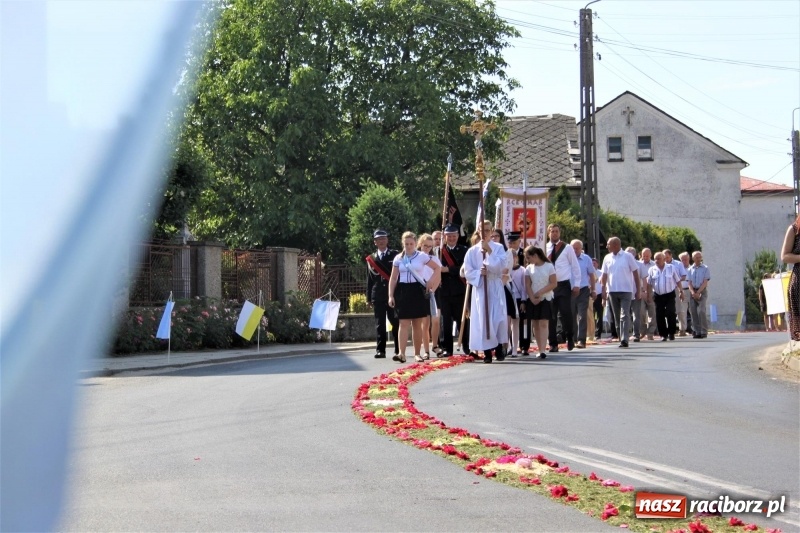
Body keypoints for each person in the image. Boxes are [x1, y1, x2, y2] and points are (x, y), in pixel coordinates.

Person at [387, 231, 441, 363]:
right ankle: (401, 353)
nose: (409, 246)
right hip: (403, 290)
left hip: (417, 290)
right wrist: (390, 295)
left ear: (415, 243)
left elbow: (437, 268)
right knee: (403, 323)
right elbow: (393, 278)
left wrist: (430, 281)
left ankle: (417, 353)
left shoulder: (421, 256)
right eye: (406, 244)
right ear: (403, 244)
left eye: (411, 243)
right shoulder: (398, 258)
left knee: (417, 324)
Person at [464, 221, 508, 363]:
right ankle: (487, 351)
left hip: (495, 285)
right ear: (478, 231)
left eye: (488, 230)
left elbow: (501, 266)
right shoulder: (472, 251)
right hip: (481, 287)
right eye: (482, 230)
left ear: (492, 231)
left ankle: (500, 346)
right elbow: (467, 271)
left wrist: (489, 250)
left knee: (497, 318)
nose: (485, 233)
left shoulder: (499, 248)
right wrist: (479, 273)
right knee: (484, 320)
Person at [601, 237, 642, 348]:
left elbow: (636, 275)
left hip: (626, 291)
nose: (606, 246)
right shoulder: (607, 258)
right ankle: (621, 337)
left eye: (608, 244)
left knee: (624, 315)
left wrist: (638, 290)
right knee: (617, 316)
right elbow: (604, 275)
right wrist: (603, 290)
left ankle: (624, 339)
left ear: (615, 245)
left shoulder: (628, 257)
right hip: (612, 291)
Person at [545, 224, 581, 353]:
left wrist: (577, 284)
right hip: (549, 286)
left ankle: (570, 337)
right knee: (551, 316)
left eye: (556, 231)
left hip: (564, 285)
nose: (554, 233)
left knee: (566, 313)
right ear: (548, 233)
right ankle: (553, 343)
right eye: (552, 231)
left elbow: (575, 266)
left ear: (559, 233)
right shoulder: (544, 247)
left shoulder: (567, 248)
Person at [436, 223, 469, 356]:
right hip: (443, 291)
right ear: (444, 237)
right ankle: (447, 348)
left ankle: (467, 346)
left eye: (454, 236)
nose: (452, 238)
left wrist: (448, 269)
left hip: (459, 291)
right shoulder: (438, 251)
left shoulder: (464, 250)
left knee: (462, 320)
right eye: (449, 236)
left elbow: (464, 268)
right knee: (445, 322)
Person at [366, 229, 399, 359]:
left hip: (392, 294)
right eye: (378, 239)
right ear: (375, 242)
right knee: (380, 324)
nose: (381, 241)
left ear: (387, 240)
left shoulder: (395, 255)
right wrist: (368, 298)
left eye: (383, 238)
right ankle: (381, 350)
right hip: (378, 295)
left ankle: (398, 349)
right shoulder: (371, 258)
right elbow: (369, 279)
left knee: (395, 321)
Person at [524, 245, 557, 358]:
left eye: (529, 257)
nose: (527, 260)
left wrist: (541, 292)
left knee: (543, 323)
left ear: (535, 255)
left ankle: (543, 349)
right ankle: (539, 348)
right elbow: (527, 284)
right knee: (536, 324)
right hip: (533, 299)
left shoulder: (549, 266)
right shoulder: (529, 268)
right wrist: (532, 297)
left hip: (546, 298)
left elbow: (553, 283)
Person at [491, 228, 518, 357]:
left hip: (503, 287)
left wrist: (498, 284)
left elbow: (506, 271)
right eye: (492, 236)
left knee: (504, 319)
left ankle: (504, 345)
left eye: (497, 236)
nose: (494, 238)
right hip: (490, 288)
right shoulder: (486, 252)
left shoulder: (507, 253)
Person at [646, 251, 684, 341]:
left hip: (669, 294)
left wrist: (681, 291)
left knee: (671, 312)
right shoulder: (652, 270)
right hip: (658, 295)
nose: (656, 260)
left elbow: (678, 280)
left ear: (664, 259)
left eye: (658, 258)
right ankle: (663, 334)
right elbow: (649, 284)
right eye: (655, 259)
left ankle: (671, 333)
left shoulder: (671, 268)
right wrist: (649, 295)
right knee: (659, 315)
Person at [417, 233, 443, 357]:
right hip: (421, 291)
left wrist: (433, 289)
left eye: (429, 246)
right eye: (425, 246)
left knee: (436, 320)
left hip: (434, 291)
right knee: (425, 322)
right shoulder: (417, 258)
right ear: (420, 245)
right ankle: (426, 350)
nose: (427, 248)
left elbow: (438, 275)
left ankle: (435, 345)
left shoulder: (434, 259)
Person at [570, 239, 596, 349]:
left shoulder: (586, 259)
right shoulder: (567, 258)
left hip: (583, 290)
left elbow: (591, 275)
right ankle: (573, 339)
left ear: (581, 249)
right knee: (571, 315)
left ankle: (581, 340)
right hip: (569, 290)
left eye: (577, 248)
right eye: (573, 248)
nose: (575, 250)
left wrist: (593, 290)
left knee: (582, 315)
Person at [639, 248, 657, 340]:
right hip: (640, 291)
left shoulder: (654, 265)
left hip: (652, 291)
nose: (645, 257)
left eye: (647, 256)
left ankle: (651, 332)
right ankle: (642, 331)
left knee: (652, 313)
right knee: (641, 312)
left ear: (650, 255)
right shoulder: (638, 264)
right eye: (644, 256)